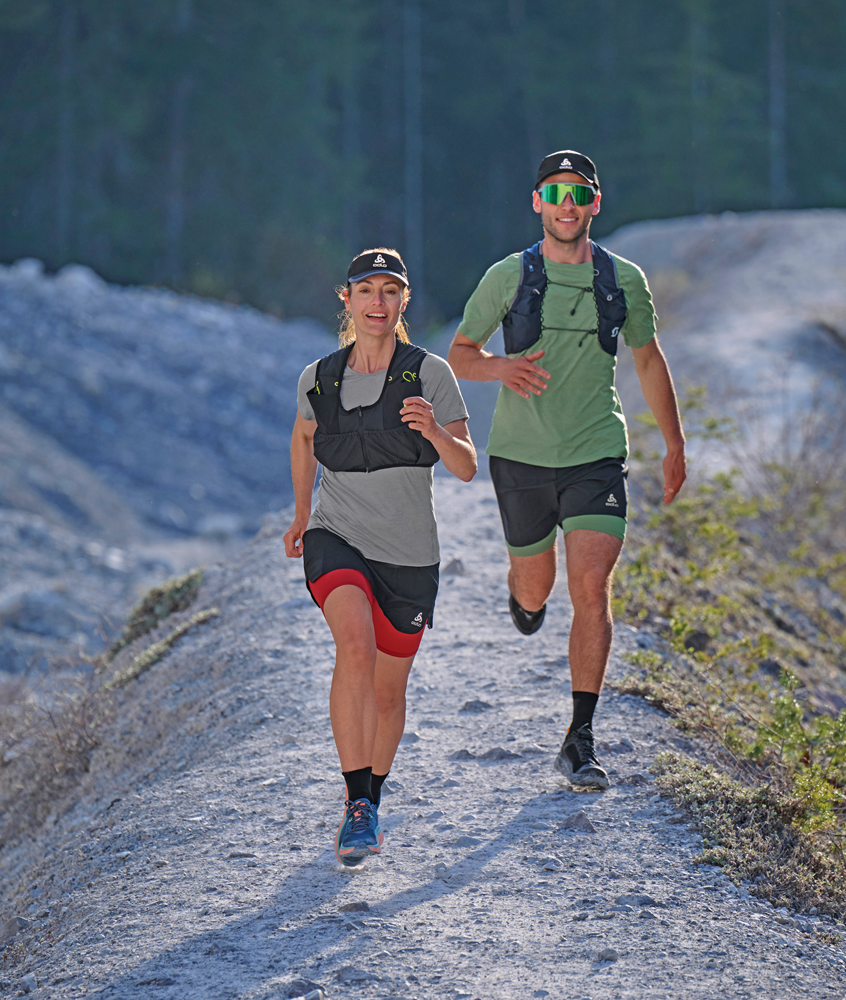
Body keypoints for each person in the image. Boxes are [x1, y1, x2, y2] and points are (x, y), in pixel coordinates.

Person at [447, 150, 686, 790]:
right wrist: (501, 367)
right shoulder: (509, 276)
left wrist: (675, 444)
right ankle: (523, 598)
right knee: (537, 588)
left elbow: (648, 360)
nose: (567, 206)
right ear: (538, 205)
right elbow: (461, 355)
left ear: (595, 204)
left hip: (595, 453)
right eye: (554, 195)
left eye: (578, 194)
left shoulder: (622, 280)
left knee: (591, 587)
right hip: (521, 457)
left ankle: (580, 738)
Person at [285, 248, 476, 866]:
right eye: (366, 291)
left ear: (403, 303)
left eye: (389, 292)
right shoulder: (318, 377)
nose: (377, 303)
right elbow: (304, 436)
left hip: (410, 558)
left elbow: (469, 467)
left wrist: (436, 432)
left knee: (390, 694)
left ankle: (373, 796)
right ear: (347, 300)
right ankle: (357, 802)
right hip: (336, 535)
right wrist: (299, 516)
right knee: (356, 650)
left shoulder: (430, 374)